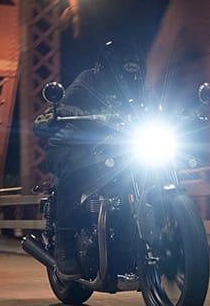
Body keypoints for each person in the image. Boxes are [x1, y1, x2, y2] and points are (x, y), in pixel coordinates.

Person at [33, 39, 146, 275]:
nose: (128, 76)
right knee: (76, 167)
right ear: (107, 67)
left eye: (132, 68)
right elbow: (66, 104)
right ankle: (65, 243)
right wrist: (63, 114)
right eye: (124, 68)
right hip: (72, 144)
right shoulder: (88, 81)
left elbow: (156, 107)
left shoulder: (140, 88)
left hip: (114, 148)